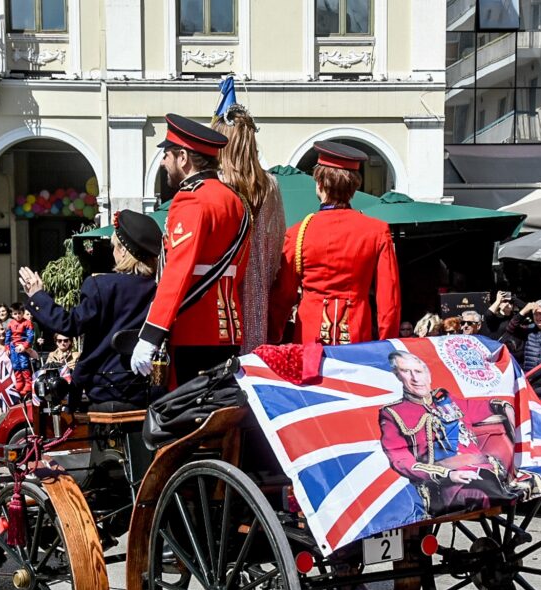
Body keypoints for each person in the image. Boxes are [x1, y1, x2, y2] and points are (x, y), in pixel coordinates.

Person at [131, 113, 251, 385]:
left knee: (189, 420)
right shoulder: (235, 200)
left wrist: (151, 334)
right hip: (228, 327)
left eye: (168, 155)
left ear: (183, 158)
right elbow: (239, 268)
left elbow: (177, 270)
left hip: (194, 327)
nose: (163, 162)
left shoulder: (191, 200)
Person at [23, 209, 162, 405]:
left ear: (123, 251)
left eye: (113, 247)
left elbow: (70, 325)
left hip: (104, 388)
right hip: (146, 388)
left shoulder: (101, 285)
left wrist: (37, 295)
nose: (112, 252)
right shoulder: (160, 290)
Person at [268, 141, 400, 347]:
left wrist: (274, 332)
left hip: (309, 337)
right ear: (354, 188)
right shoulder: (377, 231)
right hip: (357, 334)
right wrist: (388, 344)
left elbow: (284, 294)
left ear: (319, 184)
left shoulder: (298, 232)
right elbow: (388, 299)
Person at [378, 351, 510, 516]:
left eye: (418, 372)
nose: (415, 378)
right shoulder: (393, 413)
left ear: (428, 375)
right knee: (485, 494)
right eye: (406, 371)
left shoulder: (445, 399)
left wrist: (504, 406)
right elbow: (400, 459)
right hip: (446, 484)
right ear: (397, 376)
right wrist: (447, 474)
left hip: (482, 470)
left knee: (514, 485)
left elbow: (478, 407)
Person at [211, 104, 287, 353]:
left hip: (218, 274)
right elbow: (276, 240)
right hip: (255, 274)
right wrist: (265, 271)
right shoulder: (269, 185)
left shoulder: (214, 181)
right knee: (250, 356)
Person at [484, 290, 525, 362]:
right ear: (499, 304)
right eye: (505, 301)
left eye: (510, 303)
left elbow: (527, 308)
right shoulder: (495, 318)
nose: (508, 304)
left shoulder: (517, 317)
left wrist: (512, 298)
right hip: (500, 356)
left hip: (517, 357)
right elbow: (488, 314)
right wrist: (498, 301)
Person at [5, 302, 35, 395]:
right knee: (15, 365)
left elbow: (30, 336)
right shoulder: (10, 323)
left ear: (23, 312)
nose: (17, 315)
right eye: (15, 313)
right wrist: (7, 347)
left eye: (19, 313)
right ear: (11, 314)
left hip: (22, 347)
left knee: (24, 365)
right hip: (13, 347)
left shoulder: (27, 323)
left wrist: (25, 346)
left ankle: (28, 383)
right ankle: (19, 382)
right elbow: (8, 336)